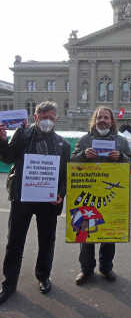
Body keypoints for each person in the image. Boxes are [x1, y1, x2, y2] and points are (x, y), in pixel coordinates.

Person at [0, 101, 70, 304]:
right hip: (22, 197)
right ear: (35, 118)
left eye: (51, 117)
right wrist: (2, 141)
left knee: (47, 240)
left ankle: (43, 276)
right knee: (15, 241)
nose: (47, 120)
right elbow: (8, 158)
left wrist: (61, 193)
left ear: (56, 119)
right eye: (43, 116)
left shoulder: (62, 145)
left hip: (48, 201)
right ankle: (9, 283)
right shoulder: (22, 135)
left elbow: (65, 176)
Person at [71, 106, 131, 286]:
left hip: (112, 195)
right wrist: (83, 155)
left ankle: (106, 268)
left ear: (112, 121)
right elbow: (72, 162)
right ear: (94, 120)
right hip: (88, 194)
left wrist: (120, 157)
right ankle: (86, 269)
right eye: (99, 117)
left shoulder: (121, 141)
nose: (103, 120)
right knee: (86, 232)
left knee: (108, 233)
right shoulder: (84, 140)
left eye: (106, 117)